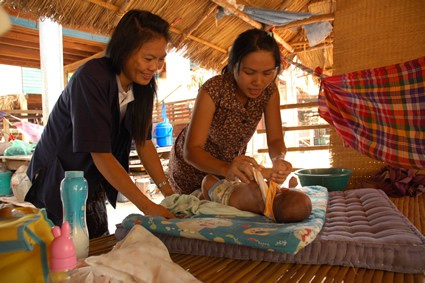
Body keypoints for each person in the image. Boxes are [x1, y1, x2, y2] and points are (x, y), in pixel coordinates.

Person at [25, 10, 175, 239]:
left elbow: (144, 144)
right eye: (148, 58)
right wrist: (147, 206)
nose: (155, 66)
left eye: (160, 58)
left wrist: (170, 194)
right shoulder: (92, 78)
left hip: (92, 182)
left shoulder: (143, 87)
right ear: (124, 50)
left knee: (95, 243)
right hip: (58, 178)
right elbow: (101, 154)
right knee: (60, 248)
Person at [168, 28, 292, 195]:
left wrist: (279, 160)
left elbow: (276, 139)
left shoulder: (269, 91)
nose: (258, 81)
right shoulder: (213, 90)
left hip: (228, 173)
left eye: (268, 73)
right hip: (190, 172)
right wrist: (226, 168)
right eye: (249, 72)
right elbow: (192, 151)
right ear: (234, 66)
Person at [201, 168, 312, 223]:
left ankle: (206, 199)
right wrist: (291, 186)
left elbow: (251, 177)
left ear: (283, 192)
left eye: (288, 190)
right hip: (236, 187)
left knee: (208, 179)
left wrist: (263, 172)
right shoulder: (271, 211)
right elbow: (277, 191)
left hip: (226, 194)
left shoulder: (261, 197)